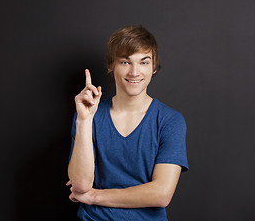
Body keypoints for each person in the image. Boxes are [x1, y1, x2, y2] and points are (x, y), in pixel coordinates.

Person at [67, 25, 188, 220]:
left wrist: (93, 196)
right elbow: (80, 185)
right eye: (125, 62)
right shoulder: (89, 115)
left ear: (153, 67)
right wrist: (84, 120)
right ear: (111, 65)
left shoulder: (170, 121)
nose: (134, 72)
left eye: (143, 62)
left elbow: (161, 194)